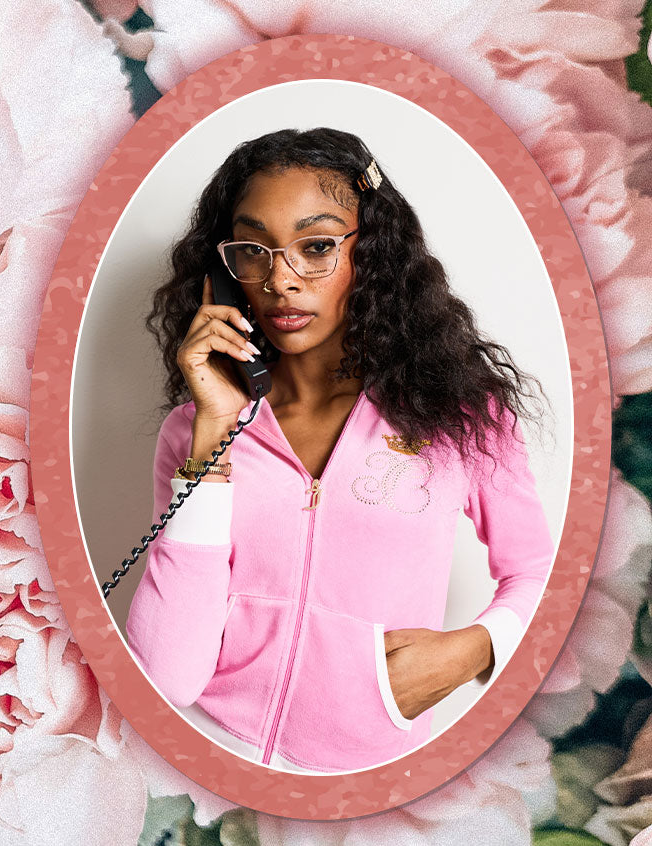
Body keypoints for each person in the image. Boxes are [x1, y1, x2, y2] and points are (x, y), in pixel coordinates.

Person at [124, 127, 553, 772]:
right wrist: (213, 436)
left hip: (374, 777)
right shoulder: (194, 432)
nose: (280, 279)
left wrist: (476, 649)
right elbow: (167, 679)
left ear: (372, 256)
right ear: (224, 270)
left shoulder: (457, 414)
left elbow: (545, 573)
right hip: (208, 761)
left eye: (317, 246)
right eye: (253, 250)